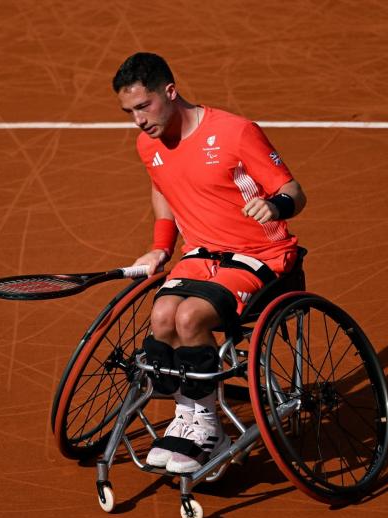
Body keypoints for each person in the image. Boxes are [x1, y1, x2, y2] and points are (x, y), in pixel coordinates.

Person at [113, 52, 307, 473]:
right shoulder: (148, 144)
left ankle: (209, 427)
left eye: (144, 107)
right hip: (201, 254)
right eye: (129, 112)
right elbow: (163, 190)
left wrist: (276, 206)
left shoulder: (236, 132)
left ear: (170, 91)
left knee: (189, 319)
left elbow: (294, 190)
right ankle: (189, 416)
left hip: (262, 256)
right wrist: (161, 247)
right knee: (162, 315)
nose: (138, 121)